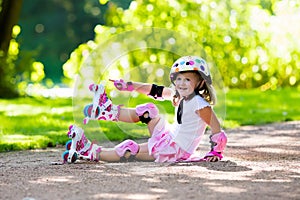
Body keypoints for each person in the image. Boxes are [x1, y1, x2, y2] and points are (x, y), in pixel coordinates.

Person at [64, 55, 227, 164]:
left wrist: (215, 152)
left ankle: (90, 151)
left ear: (200, 83)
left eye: (188, 79)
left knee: (129, 148)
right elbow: (154, 90)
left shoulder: (199, 104)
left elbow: (215, 126)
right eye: (179, 79)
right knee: (149, 110)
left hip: (175, 150)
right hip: (168, 137)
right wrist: (128, 86)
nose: (182, 83)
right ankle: (109, 110)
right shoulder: (179, 95)